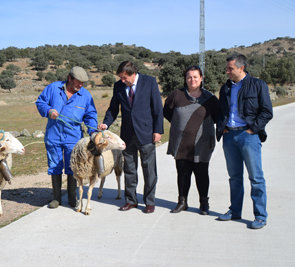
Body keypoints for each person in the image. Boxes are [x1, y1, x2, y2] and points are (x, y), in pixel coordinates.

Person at [216, 54, 273, 229]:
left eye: (230, 69)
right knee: (234, 177)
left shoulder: (257, 85)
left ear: (241, 68)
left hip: (248, 136)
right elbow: (221, 111)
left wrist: (252, 129)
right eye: (227, 68)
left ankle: (260, 216)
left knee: (256, 178)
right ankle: (235, 211)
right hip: (229, 136)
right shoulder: (225, 88)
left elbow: (267, 111)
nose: (227, 72)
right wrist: (222, 127)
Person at [99, 61, 164, 214]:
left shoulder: (149, 82)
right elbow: (113, 108)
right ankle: (130, 201)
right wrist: (106, 124)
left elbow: (157, 108)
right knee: (129, 169)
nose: (122, 81)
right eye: (120, 78)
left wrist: (158, 130)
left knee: (149, 170)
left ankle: (149, 202)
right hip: (127, 135)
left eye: (124, 77)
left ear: (133, 73)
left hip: (146, 133)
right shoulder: (118, 86)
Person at [36, 66, 98, 209]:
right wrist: (48, 110)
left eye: (83, 83)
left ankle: (72, 197)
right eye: (78, 82)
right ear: (69, 78)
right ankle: (56, 198)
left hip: (74, 137)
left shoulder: (86, 95)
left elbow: (90, 115)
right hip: (53, 135)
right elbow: (40, 102)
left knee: (73, 166)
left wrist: (93, 131)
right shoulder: (53, 88)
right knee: (55, 165)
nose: (80, 85)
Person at [163, 65, 219, 215]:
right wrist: (180, 126)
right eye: (189, 77)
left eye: (195, 77)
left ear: (201, 78)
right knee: (182, 174)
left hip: (202, 144)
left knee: (202, 174)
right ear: (185, 79)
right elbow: (167, 112)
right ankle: (182, 202)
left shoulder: (211, 99)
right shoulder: (176, 95)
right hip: (181, 143)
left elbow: (217, 117)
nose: (192, 80)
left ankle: (204, 203)